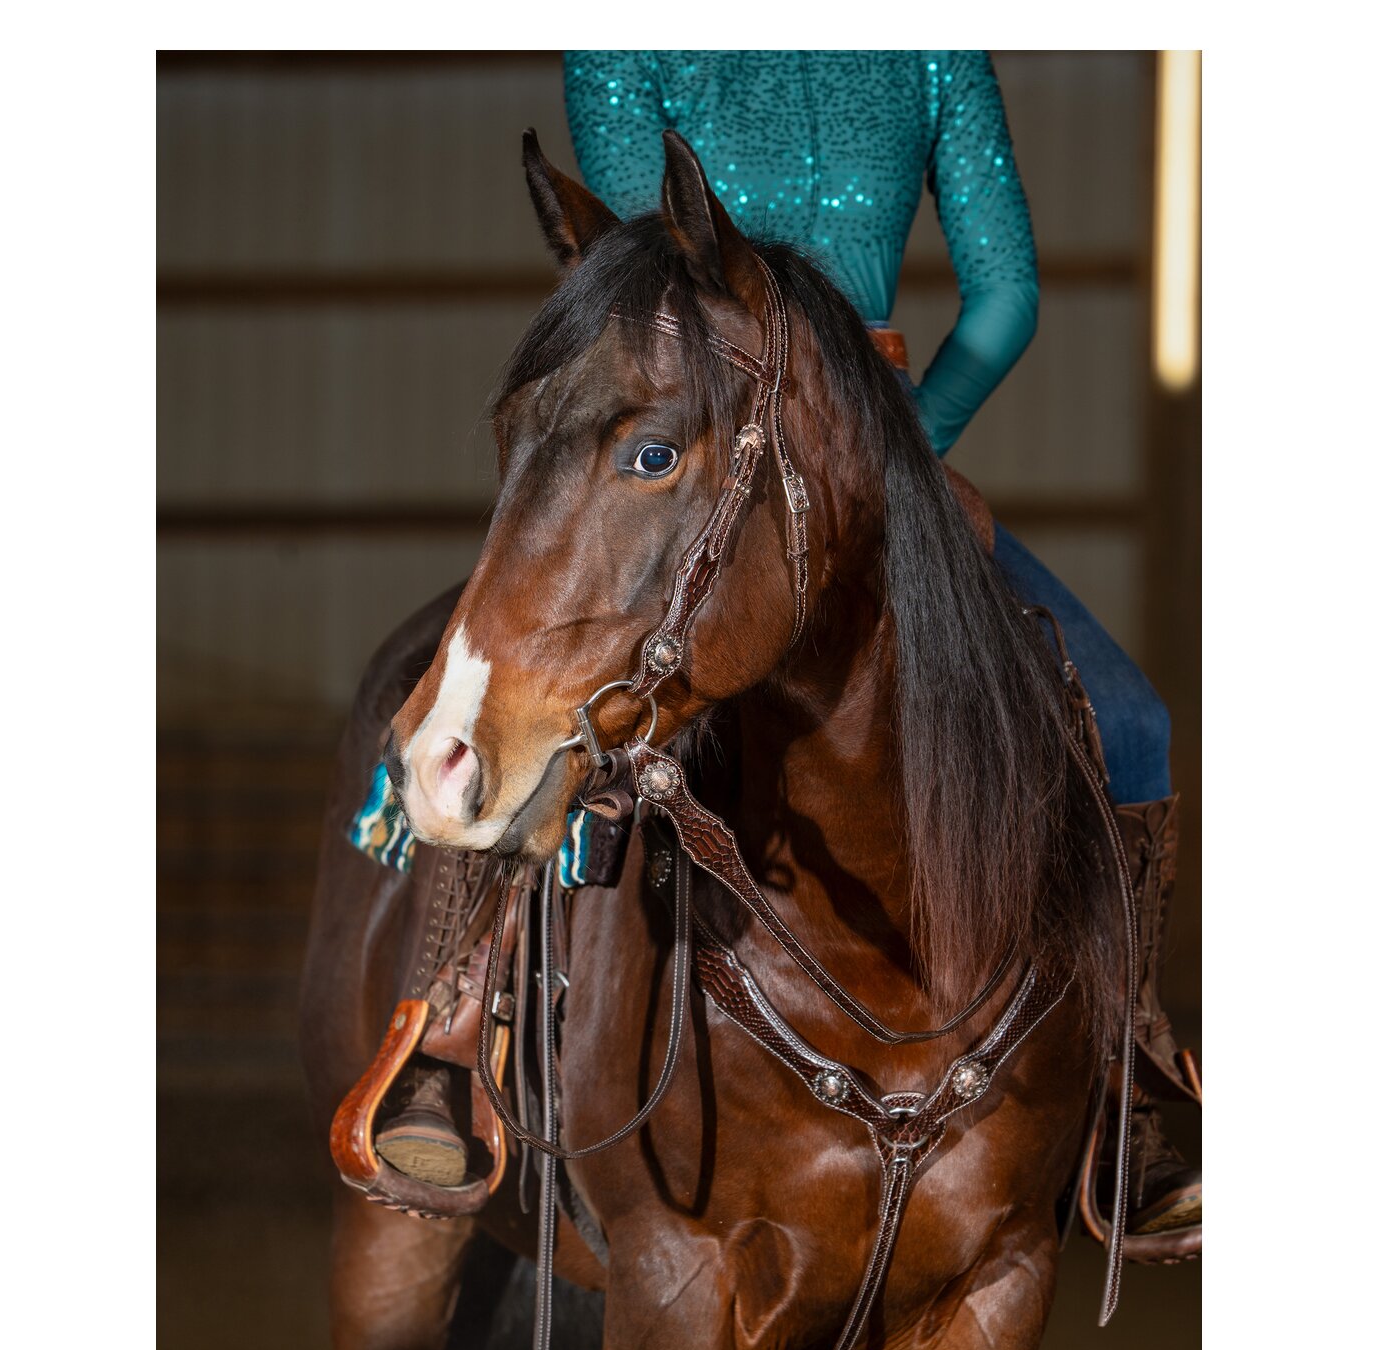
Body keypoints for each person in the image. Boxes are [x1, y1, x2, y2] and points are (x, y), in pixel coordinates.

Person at [355, 51, 1199, 1242]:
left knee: (1129, 721)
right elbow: (643, 284)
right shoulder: (628, 46)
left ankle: (1124, 1066)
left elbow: (1006, 293)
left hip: (879, 446)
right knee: (556, 700)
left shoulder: (934, 49)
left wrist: (887, 453)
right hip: (697, 449)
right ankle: (455, 1019)